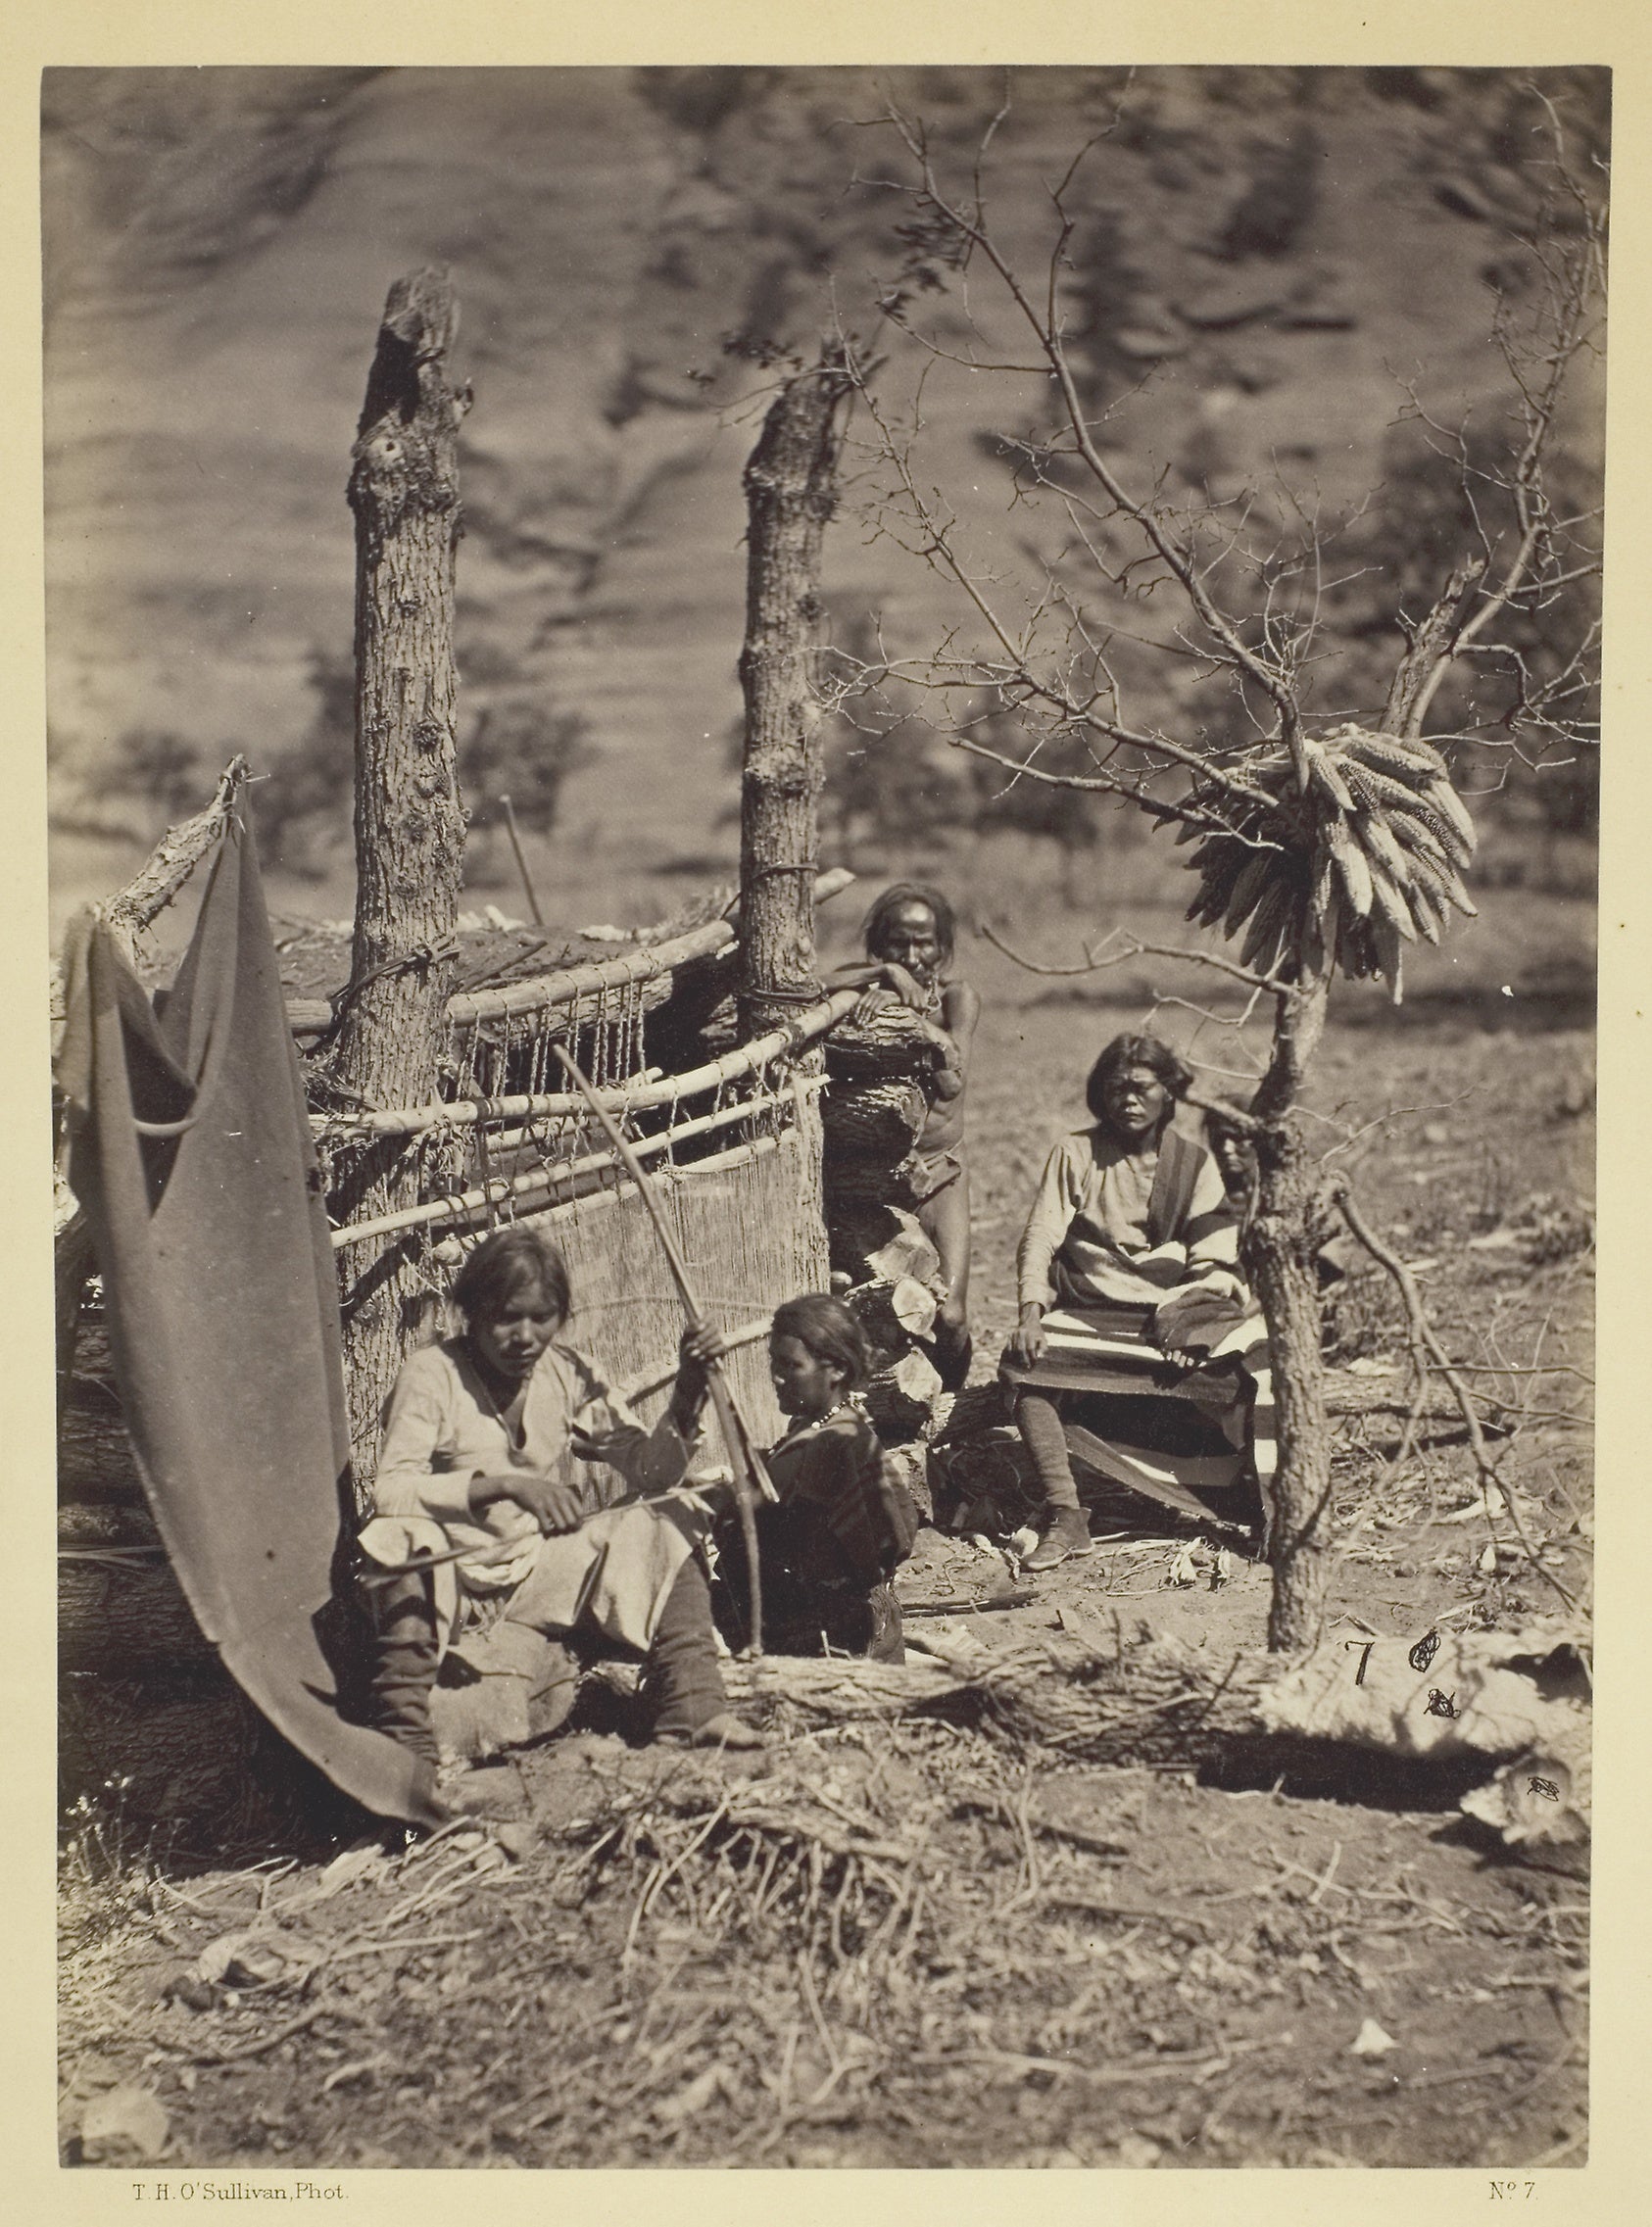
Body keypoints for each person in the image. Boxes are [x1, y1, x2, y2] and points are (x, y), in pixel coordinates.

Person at [358, 1227, 759, 1803]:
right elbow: (391, 1492)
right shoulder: (432, 1375)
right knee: (400, 1536)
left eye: (542, 1318)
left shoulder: (566, 1373)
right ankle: (408, 1754)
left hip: (532, 1573)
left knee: (664, 1515)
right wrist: (502, 1485)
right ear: (469, 1313)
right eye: (506, 1317)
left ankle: (693, 1706)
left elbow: (651, 1473)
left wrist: (689, 1392)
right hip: (452, 1587)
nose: (525, 1337)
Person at [1001, 1033, 1277, 1570]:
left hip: (1169, 1317)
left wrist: (1193, 1328)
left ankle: (1262, 1507)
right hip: (1090, 1312)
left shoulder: (1193, 1164)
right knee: (1025, 1367)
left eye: (1141, 1088)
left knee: (1258, 1365)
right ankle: (1066, 1514)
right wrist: (1030, 1314)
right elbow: (1041, 1236)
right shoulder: (1076, 1152)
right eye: (1115, 1088)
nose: (1127, 1100)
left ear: (1167, 1094)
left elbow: (1216, 1258)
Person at [829, 883, 981, 1389]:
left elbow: (952, 1077)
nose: (913, 957)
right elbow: (804, 987)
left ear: (943, 947)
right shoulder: (868, 994)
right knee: (883, 1308)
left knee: (951, 1313)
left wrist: (914, 1023)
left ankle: (953, 1408)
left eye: (924, 943)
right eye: (898, 945)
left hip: (941, 1172)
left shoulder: (958, 1000)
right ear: (879, 945)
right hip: (875, 1180)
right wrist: (881, 977)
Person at [711, 1295, 919, 1662]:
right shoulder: (841, 1423)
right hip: (872, 1621)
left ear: (835, 1370)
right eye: (774, 1362)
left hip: (835, 1637)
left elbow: (742, 1506)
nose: (776, 1377)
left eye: (791, 1365)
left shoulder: (827, 1445)